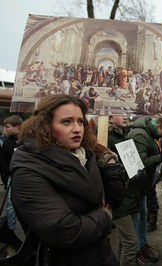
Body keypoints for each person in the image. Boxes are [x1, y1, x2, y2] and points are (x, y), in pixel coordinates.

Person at [10, 94, 125, 265]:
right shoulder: (29, 170)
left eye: (80, 121)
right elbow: (65, 232)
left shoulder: (88, 155)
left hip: (102, 255)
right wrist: (106, 216)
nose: (77, 129)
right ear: (45, 126)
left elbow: (113, 201)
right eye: (66, 122)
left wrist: (111, 168)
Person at [125, 116, 162, 263]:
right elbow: (139, 163)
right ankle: (134, 252)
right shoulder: (140, 135)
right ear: (158, 126)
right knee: (136, 219)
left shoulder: (150, 134)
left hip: (144, 186)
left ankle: (142, 244)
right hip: (136, 187)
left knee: (143, 215)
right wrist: (161, 157)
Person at [107, 115, 149, 266]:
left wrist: (139, 170)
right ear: (110, 118)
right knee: (131, 243)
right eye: (120, 113)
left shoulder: (124, 136)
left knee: (123, 241)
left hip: (130, 195)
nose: (125, 116)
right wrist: (129, 175)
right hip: (119, 198)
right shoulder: (106, 138)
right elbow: (108, 171)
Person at [0, 115, 23, 255]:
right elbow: (4, 163)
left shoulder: (24, 142)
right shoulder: (8, 142)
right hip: (11, 177)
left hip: (19, 177)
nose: (6, 129)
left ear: (17, 127)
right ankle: (10, 230)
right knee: (10, 204)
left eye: (8, 126)